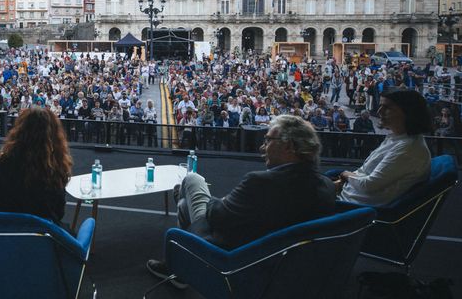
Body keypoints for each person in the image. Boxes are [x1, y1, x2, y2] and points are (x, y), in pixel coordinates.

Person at [146, 115, 334, 289]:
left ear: (289, 147)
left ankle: (181, 266)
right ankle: (181, 263)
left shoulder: (260, 182)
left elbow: (217, 217)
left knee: (193, 181)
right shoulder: (326, 186)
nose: (262, 147)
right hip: (286, 270)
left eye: (268, 140)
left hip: (233, 259)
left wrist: (218, 201)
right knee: (185, 205)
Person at [0, 107, 72, 225]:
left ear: (17, 132)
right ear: (54, 138)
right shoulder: (54, 176)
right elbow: (58, 214)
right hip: (36, 241)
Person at [335, 88, 432, 206]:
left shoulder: (407, 149)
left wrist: (346, 174)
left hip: (351, 205)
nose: (379, 111)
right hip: (349, 193)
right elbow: (366, 172)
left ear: (408, 112)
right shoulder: (397, 138)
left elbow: (368, 185)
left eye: (387, 108)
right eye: (380, 106)